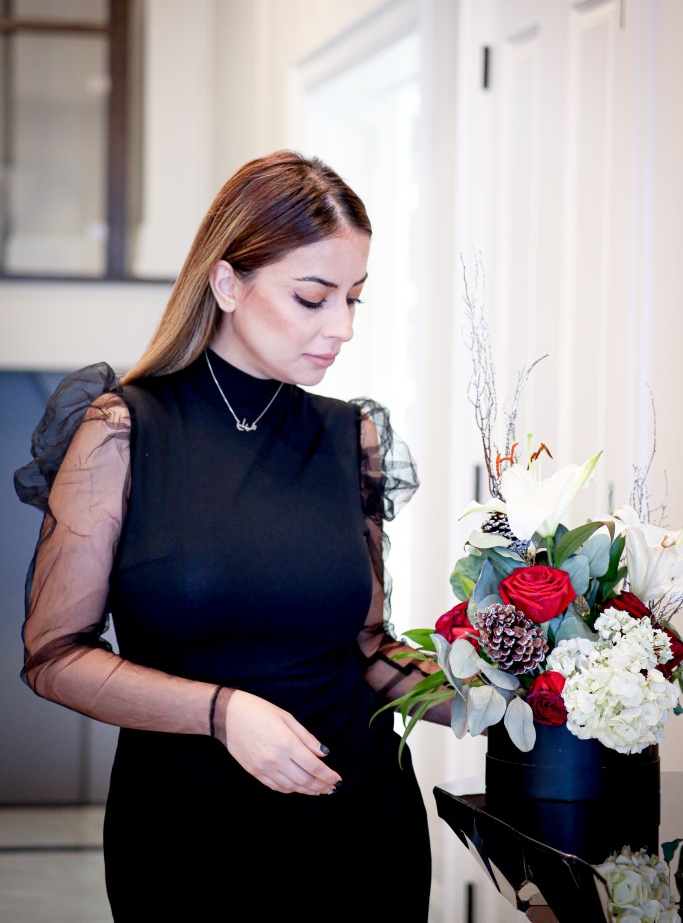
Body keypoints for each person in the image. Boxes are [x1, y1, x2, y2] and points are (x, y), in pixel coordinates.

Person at [15, 150, 452, 921]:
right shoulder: (125, 431)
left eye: (354, 298)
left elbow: (366, 647)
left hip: (360, 820)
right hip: (187, 833)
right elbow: (55, 657)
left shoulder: (348, 436)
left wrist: (507, 700)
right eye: (312, 297)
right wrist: (222, 712)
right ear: (226, 284)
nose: (343, 328)